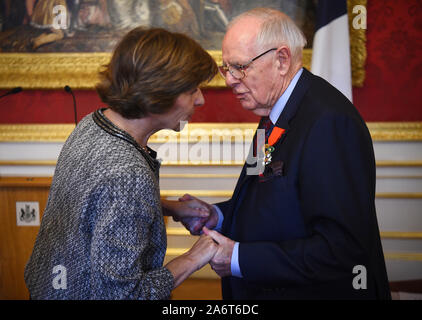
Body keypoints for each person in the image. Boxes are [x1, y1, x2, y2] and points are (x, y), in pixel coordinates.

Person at [179, 8, 391, 300]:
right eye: (226, 67)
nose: (229, 80)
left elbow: (342, 249)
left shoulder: (329, 122)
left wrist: (238, 258)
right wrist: (216, 215)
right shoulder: (274, 112)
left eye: (240, 66)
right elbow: (262, 203)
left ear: (281, 60)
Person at [24, 27, 219, 300]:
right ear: (158, 93)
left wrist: (169, 207)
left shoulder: (94, 123)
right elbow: (124, 295)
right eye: (191, 90)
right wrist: (193, 258)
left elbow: (96, 200)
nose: (200, 99)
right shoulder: (128, 175)